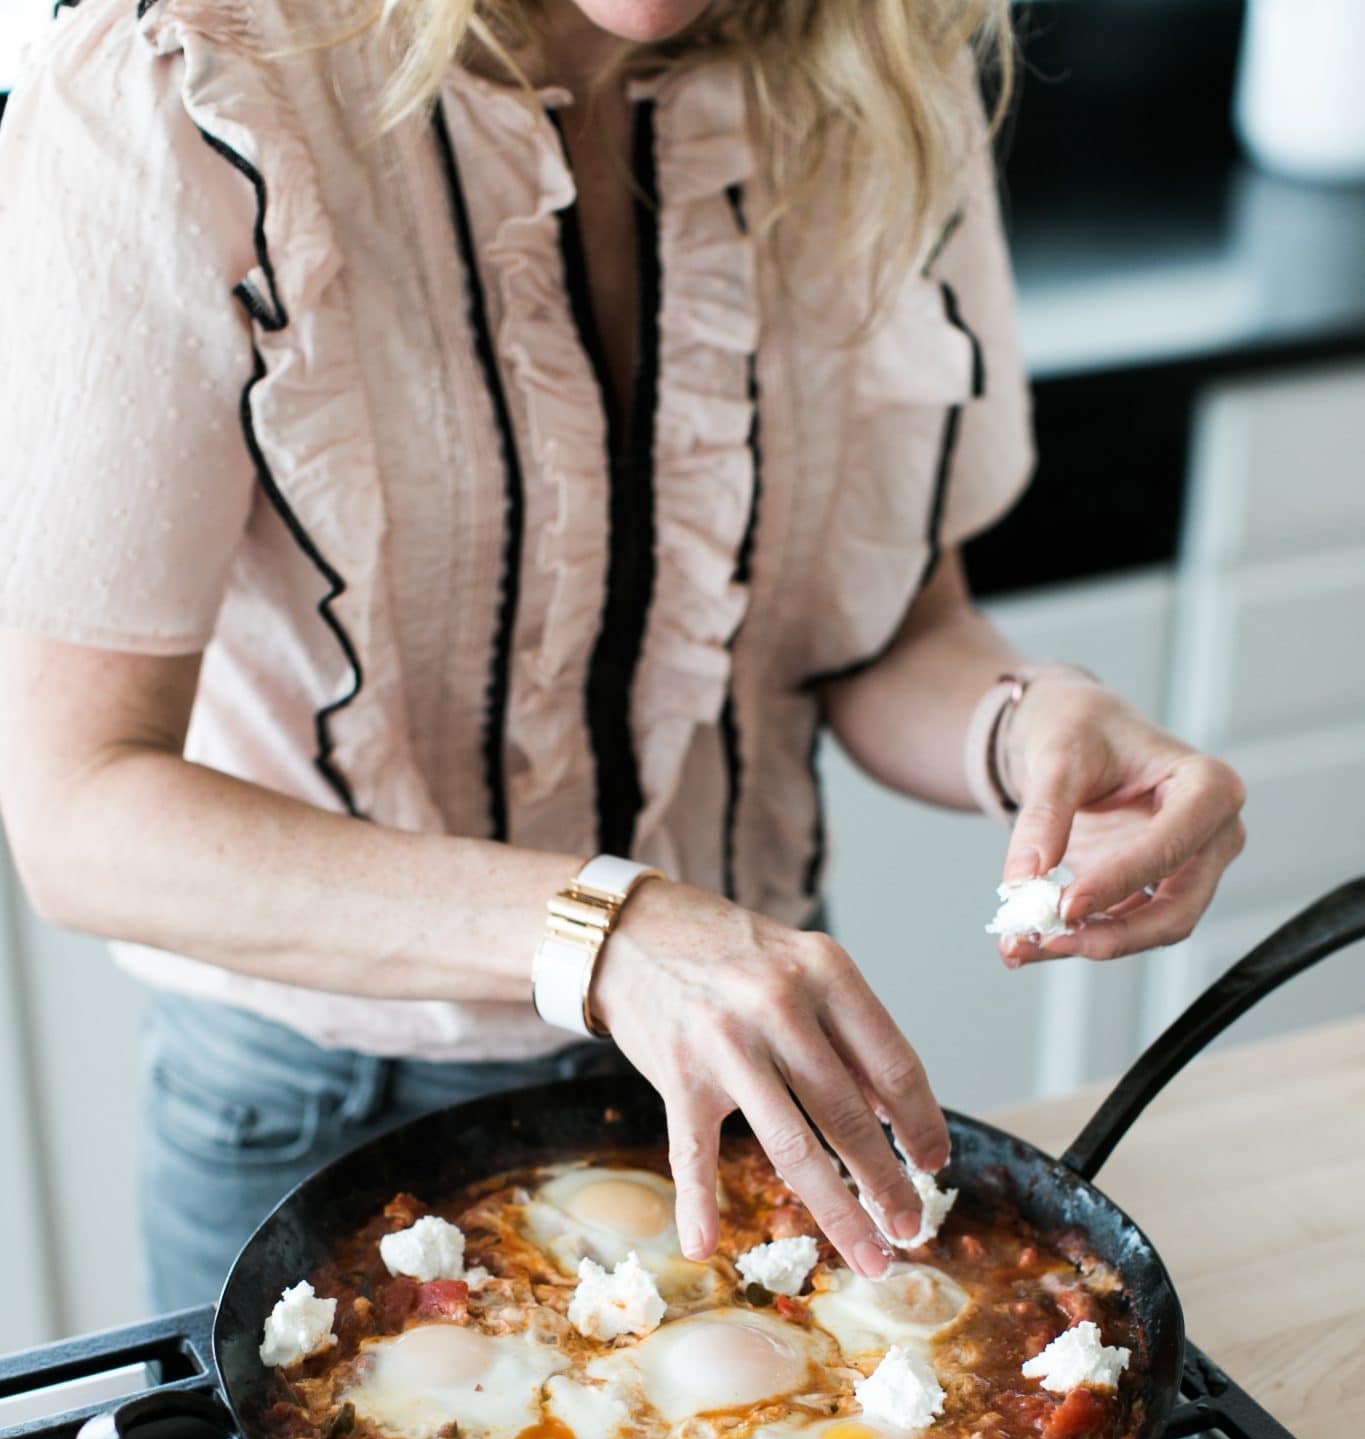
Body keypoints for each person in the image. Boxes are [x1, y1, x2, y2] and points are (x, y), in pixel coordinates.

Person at [0, 0, 1245, 1312]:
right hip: (325, 1117)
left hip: (752, 1059)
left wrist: (1030, 724)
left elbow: (885, 630)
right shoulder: (177, 90)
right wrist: (611, 929)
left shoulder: (878, 60)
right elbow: (78, 814)